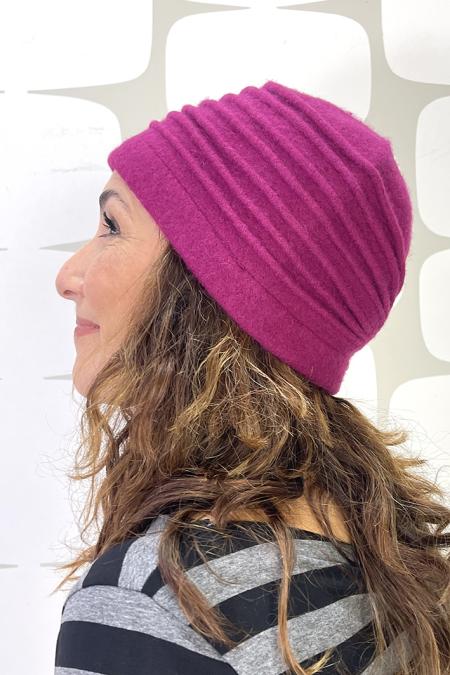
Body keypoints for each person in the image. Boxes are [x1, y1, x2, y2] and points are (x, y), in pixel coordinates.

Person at [52, 80, 450, 674]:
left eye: (112, 225)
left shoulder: (157, 601)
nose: (67, 276)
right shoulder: (405, 571)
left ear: (208, 287)